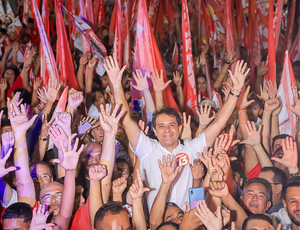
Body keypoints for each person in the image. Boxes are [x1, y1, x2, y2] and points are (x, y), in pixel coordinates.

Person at [105, 56, 249, 210]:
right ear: (154, 130)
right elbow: (126, 120)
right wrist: (115, 85)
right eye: (161, 126)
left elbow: (219, 123)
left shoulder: (191, 148)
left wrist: (235, 90)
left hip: (186, 222)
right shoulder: (147, 148)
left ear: (180, 128)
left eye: (172, 125)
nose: (167, 130)